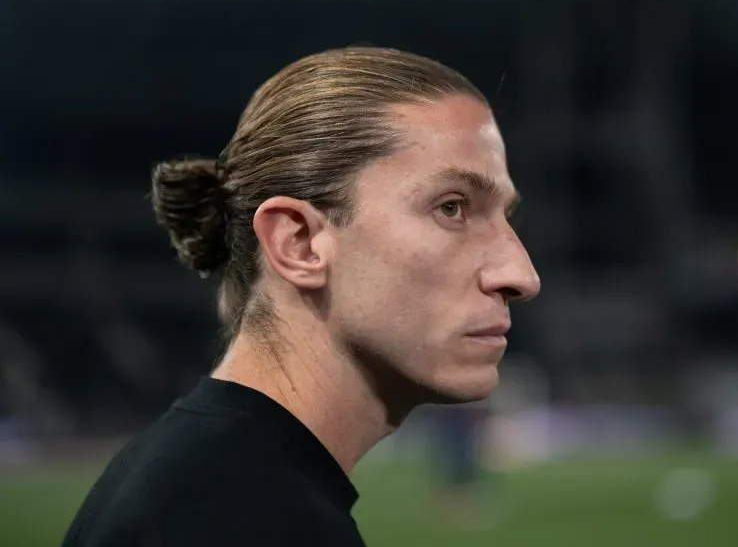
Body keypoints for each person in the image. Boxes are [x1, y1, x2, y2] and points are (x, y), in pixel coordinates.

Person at [62, 46, 541, 547]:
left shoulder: (202, 484)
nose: (521, 275)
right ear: (299, 243)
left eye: (506, 218)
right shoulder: (249, 524)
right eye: (452, 208)